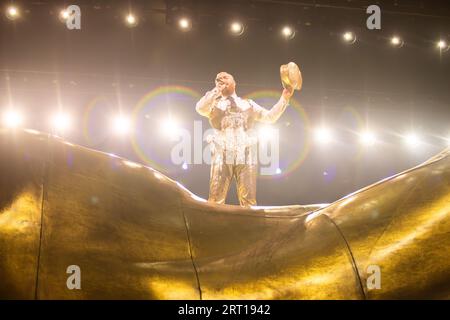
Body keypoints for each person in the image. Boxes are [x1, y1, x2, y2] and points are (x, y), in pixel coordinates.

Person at [196, 71, 294, 206]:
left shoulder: (248, 104)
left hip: (246, 150)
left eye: (225, 77)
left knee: (249, 200)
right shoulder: (214, 103)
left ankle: (251, 224)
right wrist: (216, 91)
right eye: (218, 79)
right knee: (215, 197)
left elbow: (270, 117)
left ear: (234, 83)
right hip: (222, 150)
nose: (221, 79)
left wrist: (284, 98)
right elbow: (200, 108)